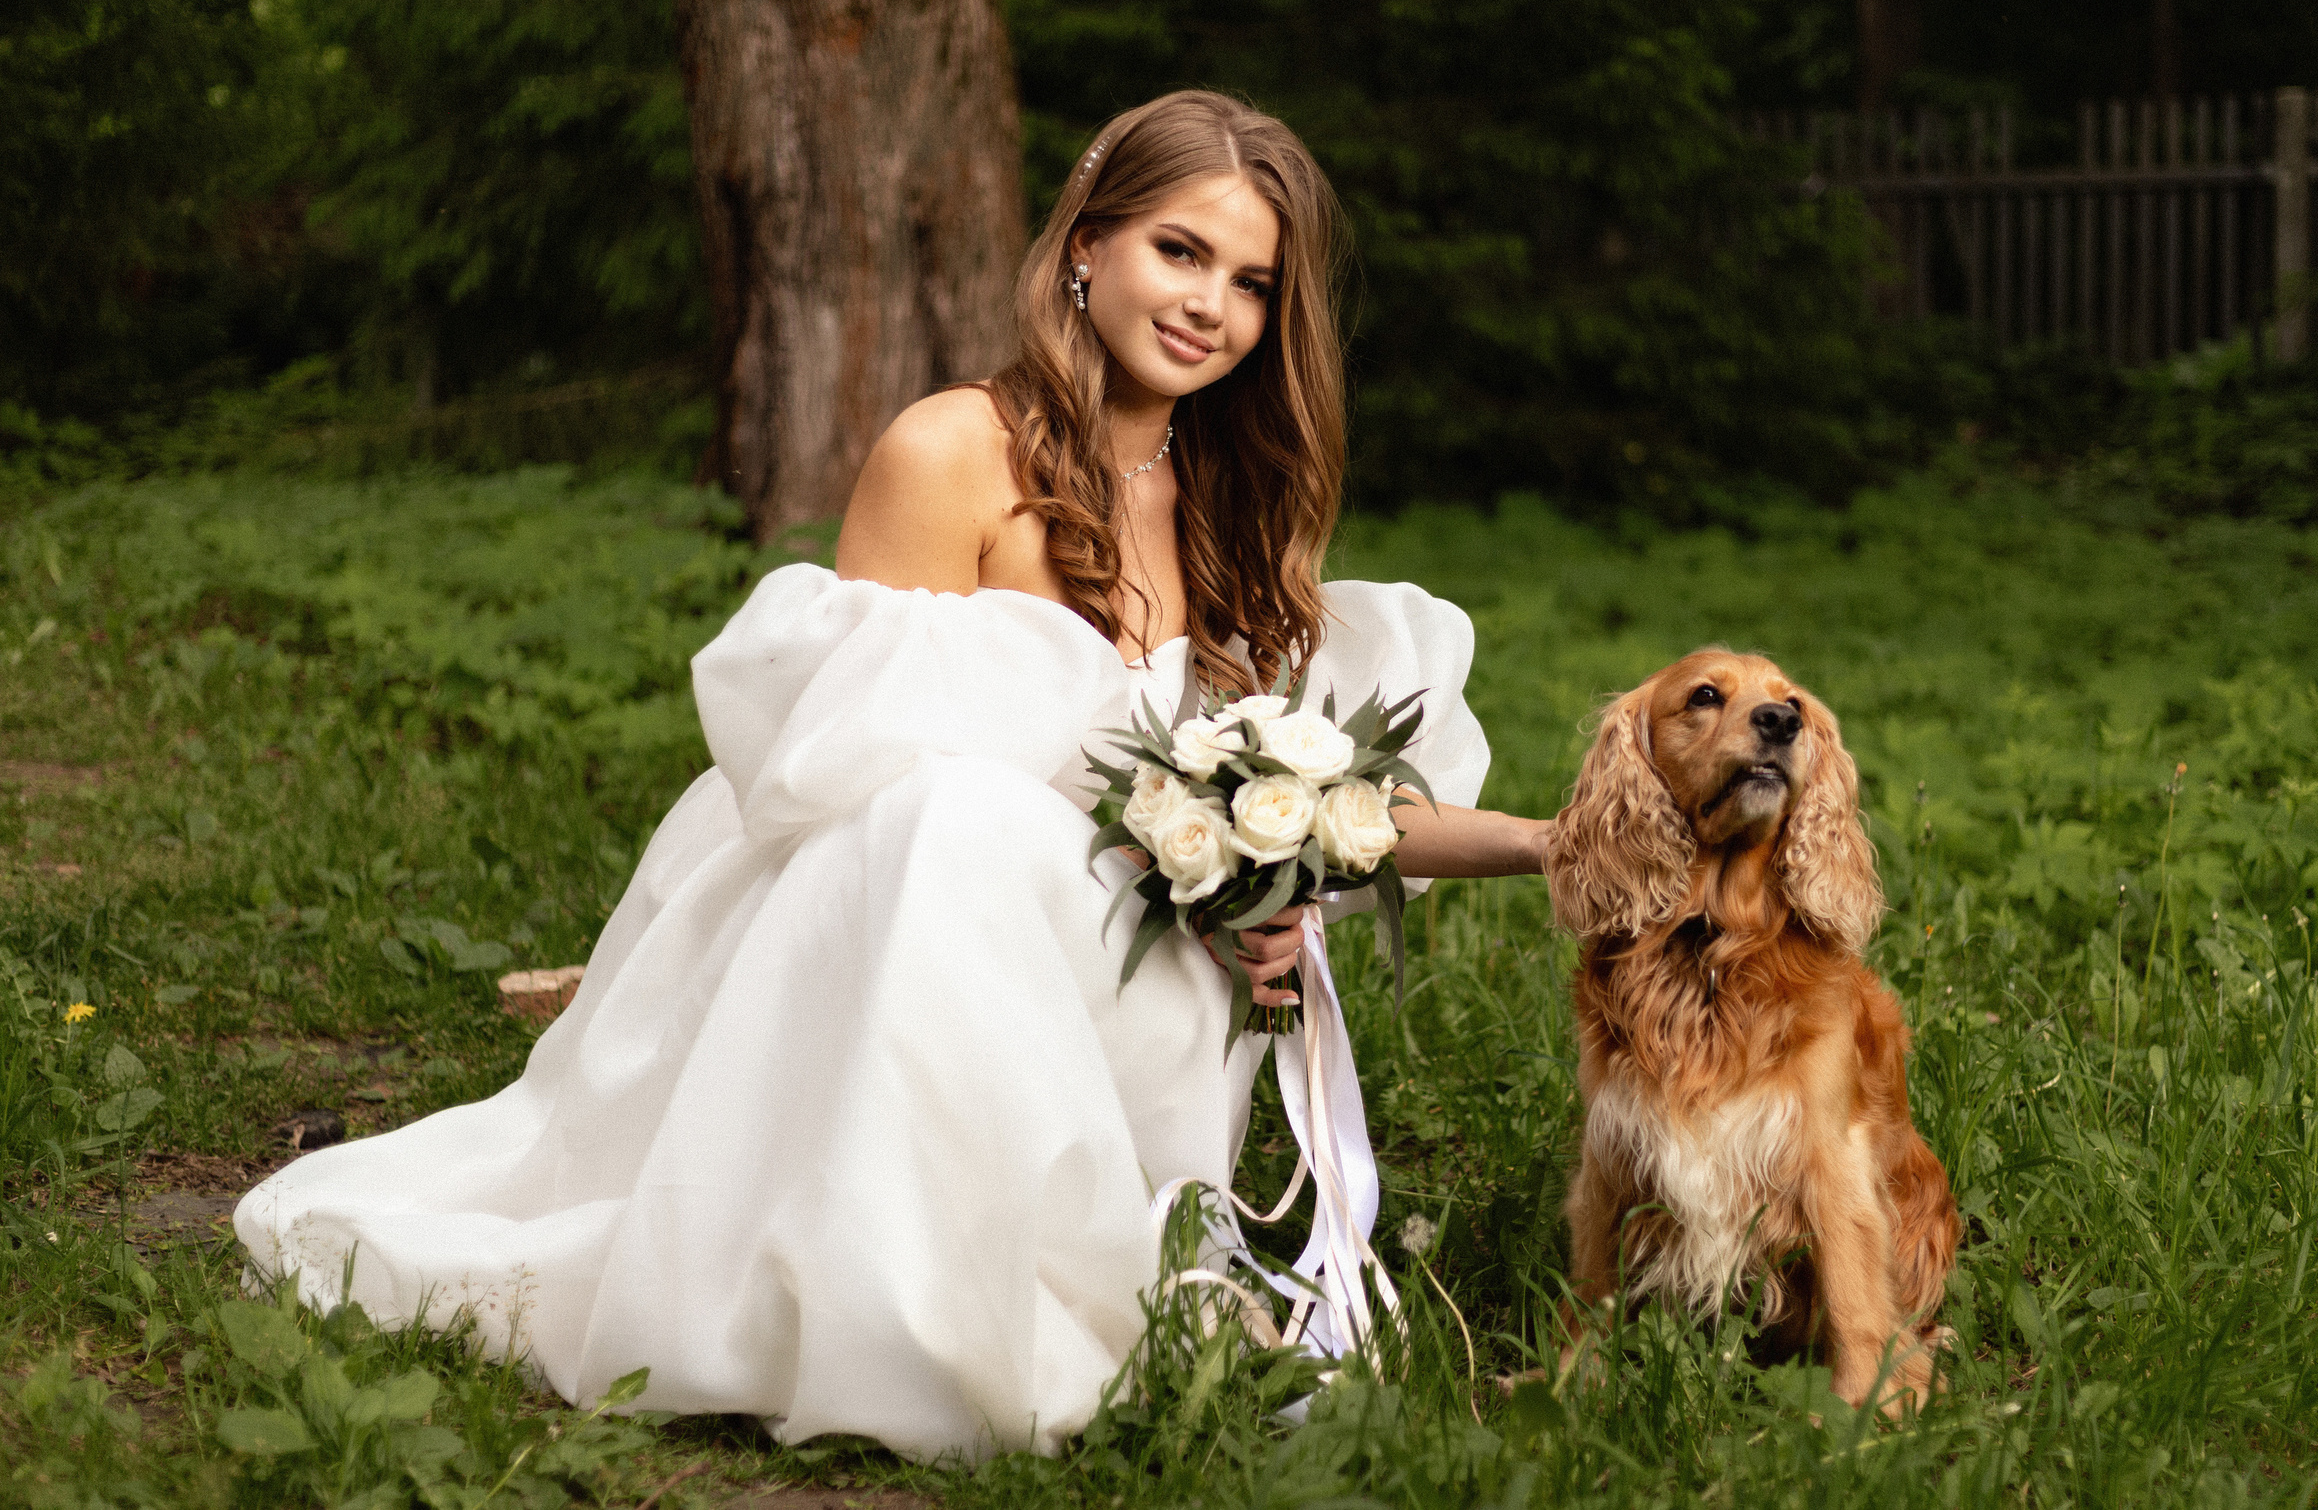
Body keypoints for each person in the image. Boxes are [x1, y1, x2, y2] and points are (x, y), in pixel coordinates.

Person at [235, 89, 1549, 1460]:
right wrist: (1145, 853)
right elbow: (849, 773)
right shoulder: (950, 452)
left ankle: (1099, 1275)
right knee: (959, 813)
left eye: (1253, 283)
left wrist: (1296, 885)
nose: (1211, 303)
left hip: (1137, 973)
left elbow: (1300, 795)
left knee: (995, 835)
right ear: (1086, 245)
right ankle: (914, 1310)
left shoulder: (1236, 494)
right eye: (1179, 251)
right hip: (903, 932)